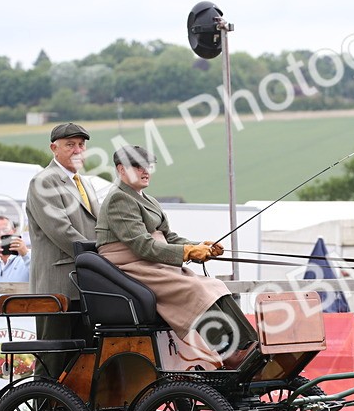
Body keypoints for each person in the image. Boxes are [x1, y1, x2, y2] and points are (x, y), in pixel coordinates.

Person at [96, 146, 258, 369]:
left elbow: (169, 237)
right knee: (194, 289)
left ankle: (247, 345)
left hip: (152, 263)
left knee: (215, 286)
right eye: (137, 166)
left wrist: (200, 247)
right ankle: (227, 352)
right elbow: (142, 245)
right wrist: (188, 252)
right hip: (129, 267)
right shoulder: (119, 199)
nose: (145, 171)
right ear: (121, 169)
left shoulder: (148, 200)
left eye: (147, 166)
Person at [27, 122, 100, 352]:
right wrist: (99, 257)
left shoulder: (85, 183)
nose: (78, 150)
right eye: (70, 145)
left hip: (85, 284)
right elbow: (61, 230)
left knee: (83, 356)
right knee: (53, 356)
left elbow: (98, 226)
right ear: (54, 148)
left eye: (81, 144)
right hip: (57, 287)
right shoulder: (43, 182)